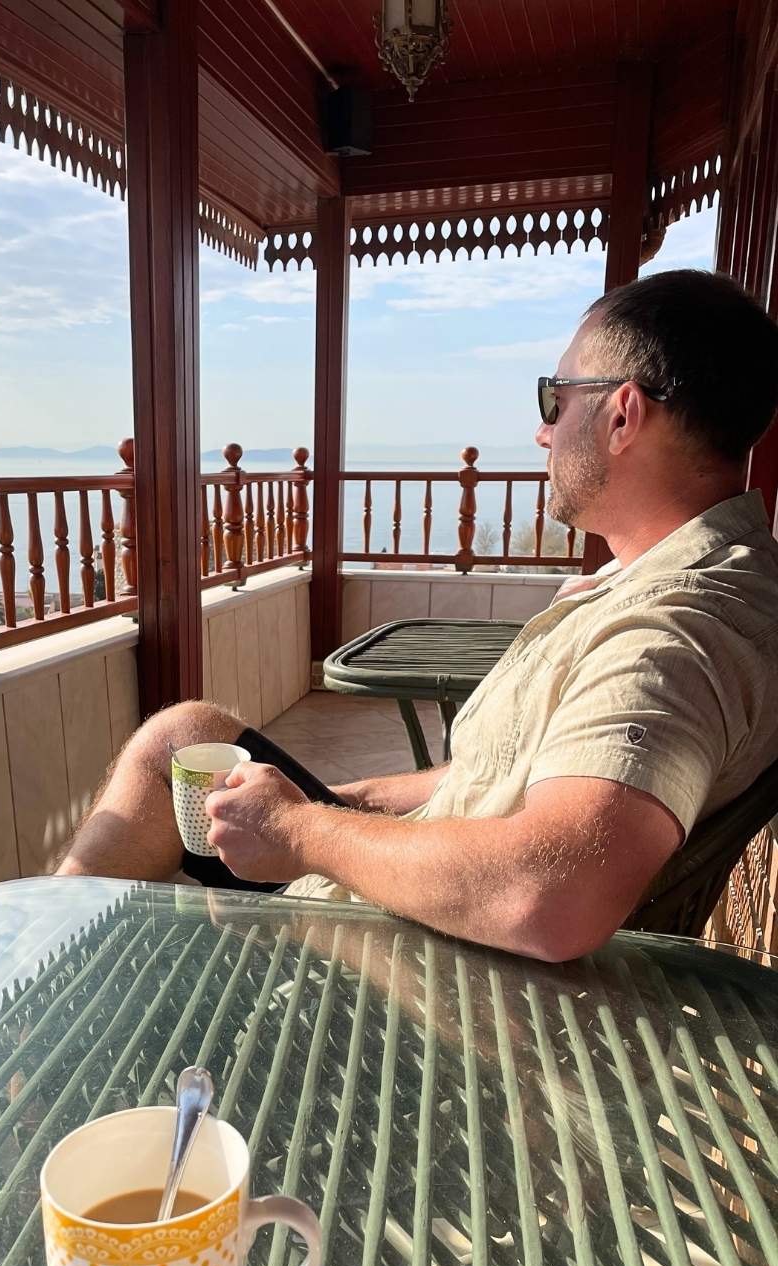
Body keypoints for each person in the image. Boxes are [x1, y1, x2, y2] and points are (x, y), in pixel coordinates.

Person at [57, 270, 778, 962]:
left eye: (554, 398)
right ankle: (49, 962)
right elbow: (504, 770)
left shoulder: (676, 635)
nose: (541, 432)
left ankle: (45, 996)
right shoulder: (671, 577)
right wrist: (352, 801)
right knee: (183, 738)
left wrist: (304, 829)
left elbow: (551, 894)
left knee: (175, 786)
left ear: (622, 415)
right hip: (428, 907)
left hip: (421, 967)